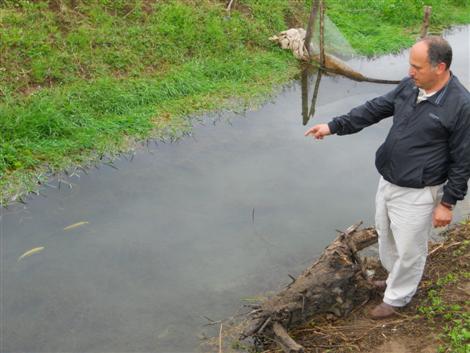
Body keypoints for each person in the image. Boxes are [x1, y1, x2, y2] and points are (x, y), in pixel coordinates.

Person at [304, 36, 470, 319]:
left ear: (440, 67)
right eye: (410, 65)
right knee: (386, 235)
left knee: (410, 249)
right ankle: (396, 280)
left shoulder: (461, 105)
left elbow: (463, 159)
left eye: (417, 67)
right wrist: (333, 126)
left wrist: (448, 202)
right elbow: (373, 109)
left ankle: (397, 298)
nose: (410, 72)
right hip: (389, 180)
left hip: (419, 191)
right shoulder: (410, 86)